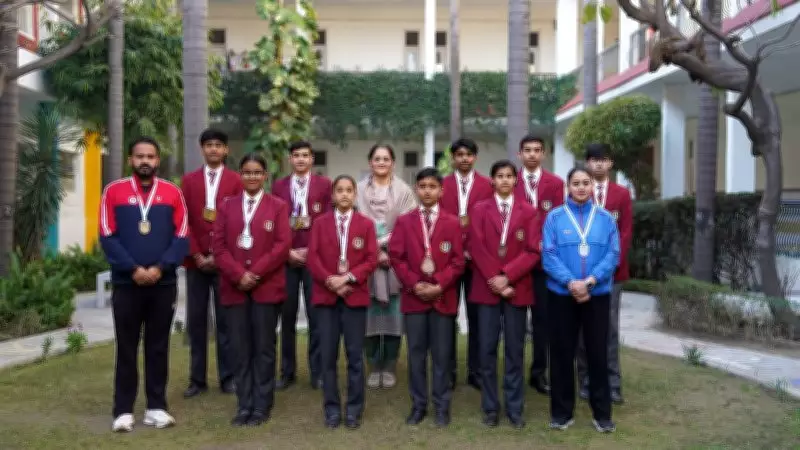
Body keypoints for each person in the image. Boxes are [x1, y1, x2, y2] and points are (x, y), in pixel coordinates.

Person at [100, 136, 188, 432]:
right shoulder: (114, 191)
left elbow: (182, 236)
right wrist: (134, 269)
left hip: (163, 284)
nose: (145, 161)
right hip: (127, 284)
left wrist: (161, 268)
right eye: (140, 156)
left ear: (158, 160)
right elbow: (107, 235)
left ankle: (156, 407)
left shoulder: (172, 192)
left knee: (158, 346)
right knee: (126, 346)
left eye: (150, 156)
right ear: (130, 160)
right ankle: (123, 410)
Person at [212, 153, 292, 427]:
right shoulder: (226, 206)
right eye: (247, 172)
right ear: (240, 175)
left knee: (264, 348)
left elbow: (282, 246)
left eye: (257, 172)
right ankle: (244, 404)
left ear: (265, 176)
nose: (252, 177)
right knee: (240, 348)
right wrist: (239, 275)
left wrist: (255, 273)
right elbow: (218, 247)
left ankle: (261, 405)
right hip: (234, 289)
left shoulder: (278, 206)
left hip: (266, 287)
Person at [542, 167, 620, 433]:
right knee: (561, 354)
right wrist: (571, 282)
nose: (581, 187)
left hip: (596, 294)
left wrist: (590, 281)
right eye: (576, 183)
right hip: (562, 294)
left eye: (586, 182)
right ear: (568, 187)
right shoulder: (554, 217)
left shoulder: (606, 218)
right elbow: (549, 255)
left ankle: (602, 414)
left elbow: (613, 254)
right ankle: (562, 414)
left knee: (597, 353)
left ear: (592, 186)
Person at [390, 168, 465, 427]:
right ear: (416, 189)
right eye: (422, 186)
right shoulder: (405, 221)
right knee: (416, 354)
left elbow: (458, 262)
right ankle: (418, 405)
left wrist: (439, 284)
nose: (427, 191)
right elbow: (396, 257)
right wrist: (415, 284)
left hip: (443, 298)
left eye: (432, 186)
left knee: (442, 356)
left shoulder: (452, 222)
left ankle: (442, 406)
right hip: (415, 298)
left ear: (441, 191)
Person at [468, 160, 541, 429]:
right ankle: (490, 407)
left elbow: (532, 251)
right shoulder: (479, 209)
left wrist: (507, 276)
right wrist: (496, 280)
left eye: (510, 176)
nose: (505, 180)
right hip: (487, 288)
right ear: (492, 180)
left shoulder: (529, 211)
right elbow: (475, 246)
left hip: (516, 288)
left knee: (514, 350)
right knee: (487, 349)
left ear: (515, 180)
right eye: (500, 176)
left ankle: (514, 407)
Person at [307, 175, 378, 430]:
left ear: (355, 194)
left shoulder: (366, 224)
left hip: (353, 297)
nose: (344, 194)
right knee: (328, 357)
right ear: (333, 195)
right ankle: (332, 409)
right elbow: (312, 257)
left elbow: (371, 259)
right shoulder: (320, 223)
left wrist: (347, 278)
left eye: (349, 190)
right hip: (326, 298)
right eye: (340, 190)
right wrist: (331, 281)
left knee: (355, 356)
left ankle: (354, 410)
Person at [180, 128, 241, 399]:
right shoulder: (189, 181)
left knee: (226, 322)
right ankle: (197, 380)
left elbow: (238, 221)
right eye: (209, 145)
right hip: (196, 263)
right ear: (202, 149)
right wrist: (196, 254)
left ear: (226, 150)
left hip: (224, 263)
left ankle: (228, 377)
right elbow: (184, 220)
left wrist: (218, 256)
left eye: (218, 145)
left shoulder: (236, 181)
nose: (214, 149)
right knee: (197, 322)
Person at [271, 141, 332, 390]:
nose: (300, 159)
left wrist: (311, 250)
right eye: (296, 155)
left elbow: (327, 221)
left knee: (316, 316)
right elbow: (274, 221)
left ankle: (318, 372)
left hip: (314, 259)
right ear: (290, 159)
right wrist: (286, 251)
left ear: (312, 159)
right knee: (287, 317)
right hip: (286, 259)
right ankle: (287, 372)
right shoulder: (278, 186)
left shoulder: (324, 185)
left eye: (305, 155)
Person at [357, 144, 418, 389]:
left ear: (393, 162)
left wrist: (387, 249)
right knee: (368, 316)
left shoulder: (405, 191)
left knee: (393, 315)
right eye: (377, 158)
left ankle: (390, 365)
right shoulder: (357, 190)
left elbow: (409, 225)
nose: (381, 162)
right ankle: (373, 365)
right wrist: (374, 250)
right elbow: (352, 222)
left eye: (386, 159)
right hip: (364, 259)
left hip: (395, 260)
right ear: (370, 162)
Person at [577, 143, 633, 405]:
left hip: (612, 274)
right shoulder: (579, 191)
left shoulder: (621, 194)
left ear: (610, 163)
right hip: (581, 273)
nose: (598, 163)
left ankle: (612, 384)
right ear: (587, 163)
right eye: (594, 159)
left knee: (609, 330)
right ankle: (586, 381)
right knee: (582, 329)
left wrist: (608, 266)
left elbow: (626, 232)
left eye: (604, 159)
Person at [439, 138, 493, 391]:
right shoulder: (442, 185)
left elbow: (490, 223)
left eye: (468, 154)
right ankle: (448, 371)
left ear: (475, 158)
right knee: (447, 316)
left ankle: (476, 371)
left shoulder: (487, 185)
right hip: (448, 261)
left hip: (476, 263)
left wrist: (474, 250)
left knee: (476, 317)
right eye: (459, 154)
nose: (464, 158)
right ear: (453, 158)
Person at [514, 134, 565, 396]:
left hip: (544, 265)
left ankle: (539, 372)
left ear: (544, 154)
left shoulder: (555, 184)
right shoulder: (509, 181)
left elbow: (557, 220)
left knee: (543, 321)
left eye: (537, 150)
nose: (532, 154)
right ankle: (513, 372)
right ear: (519, 154)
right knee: (515, 322)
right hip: (517, 263)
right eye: (527, 150)